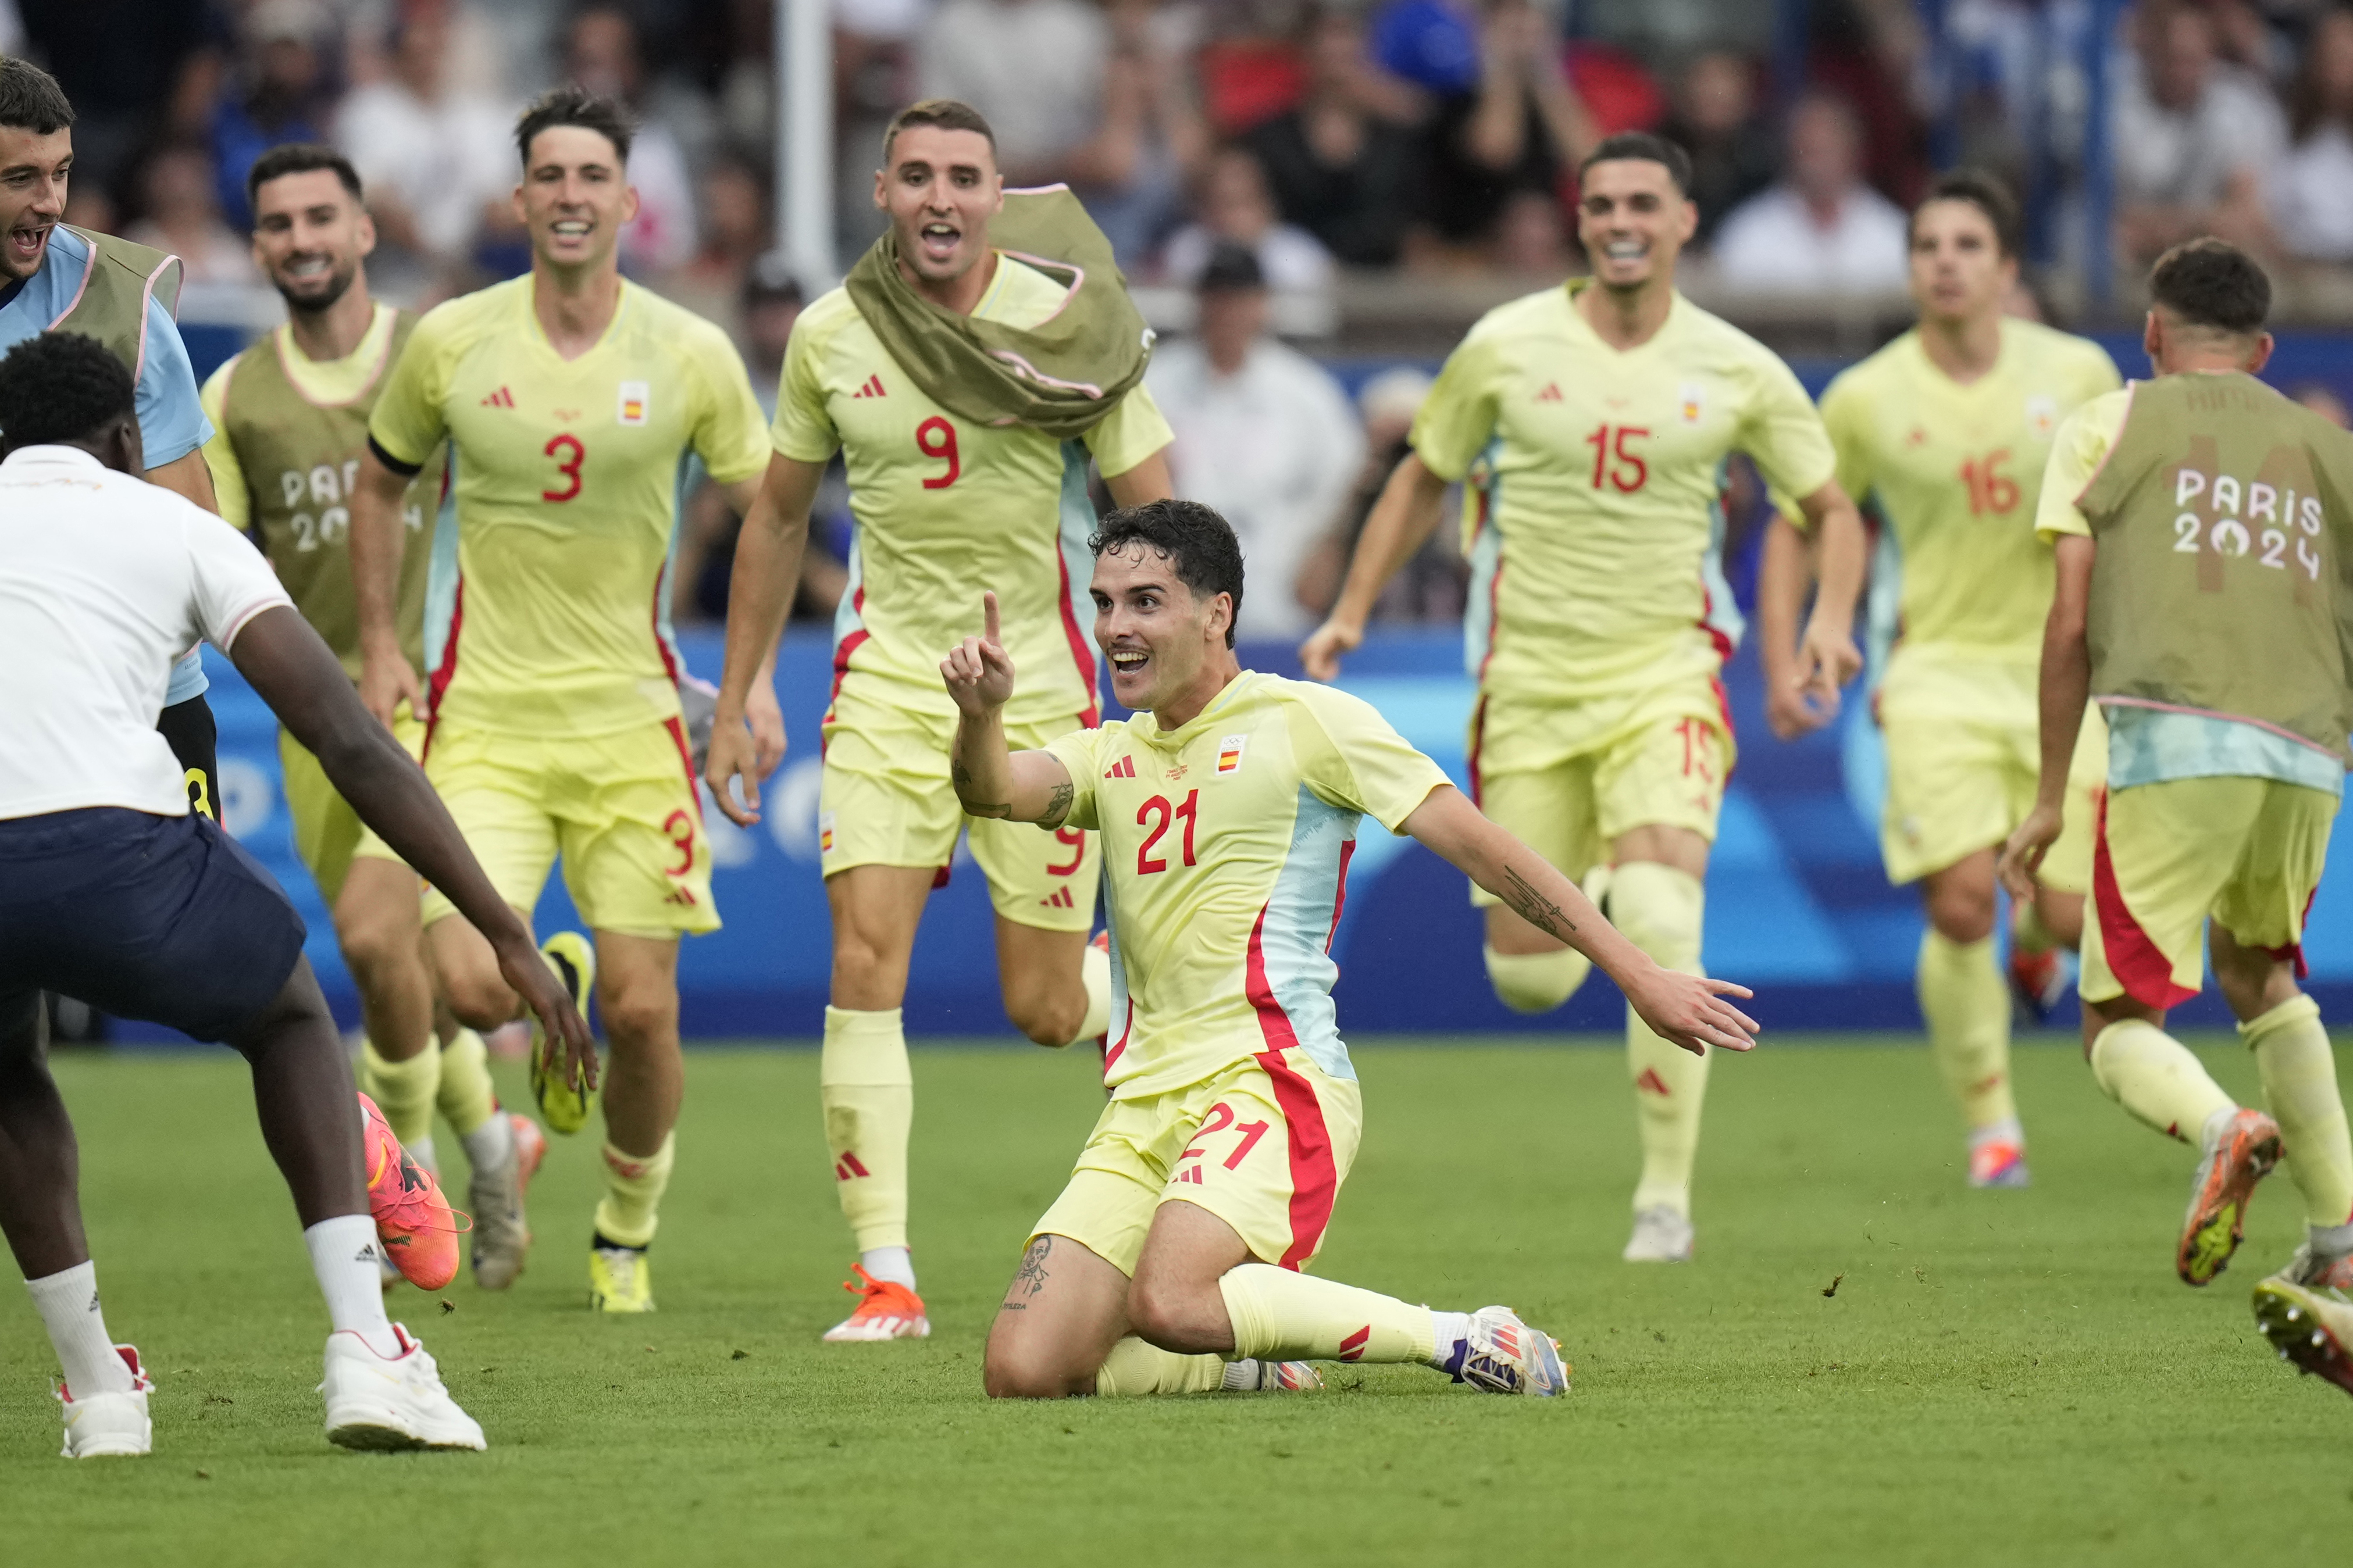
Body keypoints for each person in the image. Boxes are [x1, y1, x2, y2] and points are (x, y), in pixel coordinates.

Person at [952, 498, 1760, 1399]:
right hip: (1139, 1104)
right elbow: (992, 792)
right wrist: (981, 715)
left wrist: (1636, 971)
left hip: (1270, 1081)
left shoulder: (1308, 722)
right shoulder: (1109, 753)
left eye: (1145, 602)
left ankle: (1459, 1337)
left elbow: (1488, 852)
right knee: (1022, 1372)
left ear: (1217, 612)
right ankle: (1253, 1358)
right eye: (1103, 604)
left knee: (1172, 1298)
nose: (1115, 629)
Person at [0, 330, 594, 1455]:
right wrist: (500, 927)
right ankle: (367, 1350)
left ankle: (99, 1394)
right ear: (128, 439)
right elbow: (346, 738)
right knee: (286, 1018)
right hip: (118, 845)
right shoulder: (175, 524)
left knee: (7, 1073)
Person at [1300, 132, 1867, 1265]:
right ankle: (1589, 881)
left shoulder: (1738, 366)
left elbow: (1830, 507)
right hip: (1527, 685)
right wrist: (1352, 606)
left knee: (1665, 918)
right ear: (1580, 217)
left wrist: (1829, 620)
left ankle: (1663, 1201)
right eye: (1601, 200)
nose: (1620, 219)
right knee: (1525, 975)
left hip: (1666, 677)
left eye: (1643, 202)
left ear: (1683, 221)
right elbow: (1423, 472)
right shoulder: (1506, 346)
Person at [704, 99, 1174, 1342]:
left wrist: (1173, 671)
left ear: (998, 191)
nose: (940, 198)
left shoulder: (1072, 325)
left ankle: (1118, 996)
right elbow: (776, 517)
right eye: (916, 175)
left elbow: (1156, 512)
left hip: (1046, 691)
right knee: (865, 965)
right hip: (888, 683)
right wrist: (746, 690)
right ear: (881, 192)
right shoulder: (830, 333)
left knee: (1042, 1010)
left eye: (963, 176)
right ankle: (888, 1277)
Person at [348, 88, 778, 1316]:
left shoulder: (691, 352)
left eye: (595, 174)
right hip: (478, 717)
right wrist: (382, 643)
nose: (573, 194)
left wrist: (740, 691)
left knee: (648, 1014)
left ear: (630, 202)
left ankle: (625, 1228)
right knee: (474, 988)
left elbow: (772, 513)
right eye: (551, 175)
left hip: (634, 723)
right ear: (521, 199)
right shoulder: (448, 341)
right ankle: (557, 983)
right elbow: (379, 492)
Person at [1996, 239, 2353, 1401]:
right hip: (2308, 747)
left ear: (2150, 332)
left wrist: (2051, 794)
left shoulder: (2108, 425)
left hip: (2170, 732)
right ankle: (2341, 1244)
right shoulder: (2326, 448)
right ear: (2260, 349)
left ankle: (2220, 1128)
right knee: (2266, 973)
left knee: (2116, 1016)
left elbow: (2066, 627)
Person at [198, 142, 545, 1291]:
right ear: (257, 247)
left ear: (363, 232)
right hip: (316, 716)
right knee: (393, 970)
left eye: (319, 217)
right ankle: (493, 1148)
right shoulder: (235, 398)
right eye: (278, 222)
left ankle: (415, 1204)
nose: (299, 238)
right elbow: (215, 556)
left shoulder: (436, 357)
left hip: (453, 691)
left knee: (400, 950)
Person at [1756, 173, 2121, 1188]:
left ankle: (2038, 955)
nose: (1946, 262)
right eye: (1928, 246)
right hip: (1938, 674)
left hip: (2066, 669)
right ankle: (1992, 1127)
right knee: (1961, 904)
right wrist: (1797, 648)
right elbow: (1807, 522)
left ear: (2008, 270)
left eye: (1968, 245)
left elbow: (2126, 515)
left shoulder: (2080, 370)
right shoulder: (1869, 394)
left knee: (2067, 917)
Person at [0, 58, 225, 858]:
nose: (50, 204)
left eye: (60, 173)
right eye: (20, 178)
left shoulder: (123, 305)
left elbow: (194, 535)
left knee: (192, 977)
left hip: (138, 705)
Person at [1146, 243, 1363, 641]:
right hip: (1177, 593)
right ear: (1199, 303)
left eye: (1240, 299)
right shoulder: (1154, 386)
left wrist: (1328, 554)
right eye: (1218, 299)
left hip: (1283, 592)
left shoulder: (1305, 391)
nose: (1228, 312)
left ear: (1263, 305)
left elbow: (1346, 482)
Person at [1710, 91, 1908, 295]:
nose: (1818, 163)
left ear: (1854, 151)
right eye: (1810, 149)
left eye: (1828, 148)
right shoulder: (1747, 234)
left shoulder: (1893, 234)